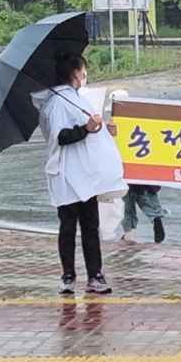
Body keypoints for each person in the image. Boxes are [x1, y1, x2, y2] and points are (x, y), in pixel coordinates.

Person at [34, 51, 126, 295]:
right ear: (75, 72)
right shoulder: (56, 103)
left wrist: (102, 129)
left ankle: (95, 275)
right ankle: (68, 275)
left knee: (90, 226)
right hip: (66, 174)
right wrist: (86, 128)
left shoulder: (76, 99)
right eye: (83, 69)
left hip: (85, 175)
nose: (85, 73)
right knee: (68, 227)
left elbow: (88, 130)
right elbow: (61, 136)